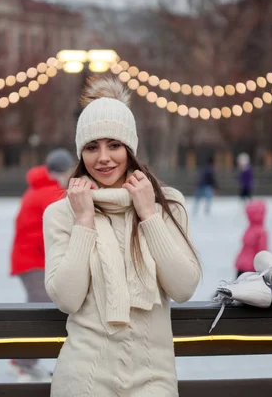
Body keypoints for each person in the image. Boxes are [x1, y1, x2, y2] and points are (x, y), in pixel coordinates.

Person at [43, 76, 201, 396]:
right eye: (92, 147)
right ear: (80, 153)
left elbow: (184, 287)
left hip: (153, 380)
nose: (103, 158)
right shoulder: (62, 214)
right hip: (83, 379)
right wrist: (84, 221)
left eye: (113, 145)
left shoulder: (167, 205)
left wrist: (149, 216)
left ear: (130, 148)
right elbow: (67, 298)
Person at [9, 148, 75, 382]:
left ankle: (28, 361)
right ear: (65, 170)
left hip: (33, 261)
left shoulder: (42, 189)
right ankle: (23, 363)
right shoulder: (50, 193)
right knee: (40, 312)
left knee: (41, 310)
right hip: (34, 262)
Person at [234, 200, 268, 279]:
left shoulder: (250, 229)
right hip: (252, 266)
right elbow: (262, 251)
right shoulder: (261, 232)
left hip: (241, 263)